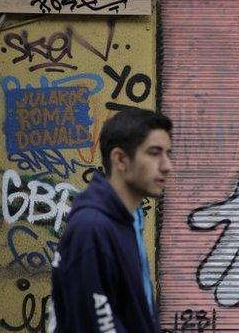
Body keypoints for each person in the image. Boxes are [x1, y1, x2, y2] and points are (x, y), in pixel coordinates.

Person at [49, 108, 173, 332]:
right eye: (154, 153)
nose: (167, 165)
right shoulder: (92, 228)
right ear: (120, 159)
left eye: (167, 153)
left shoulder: (129, 218)